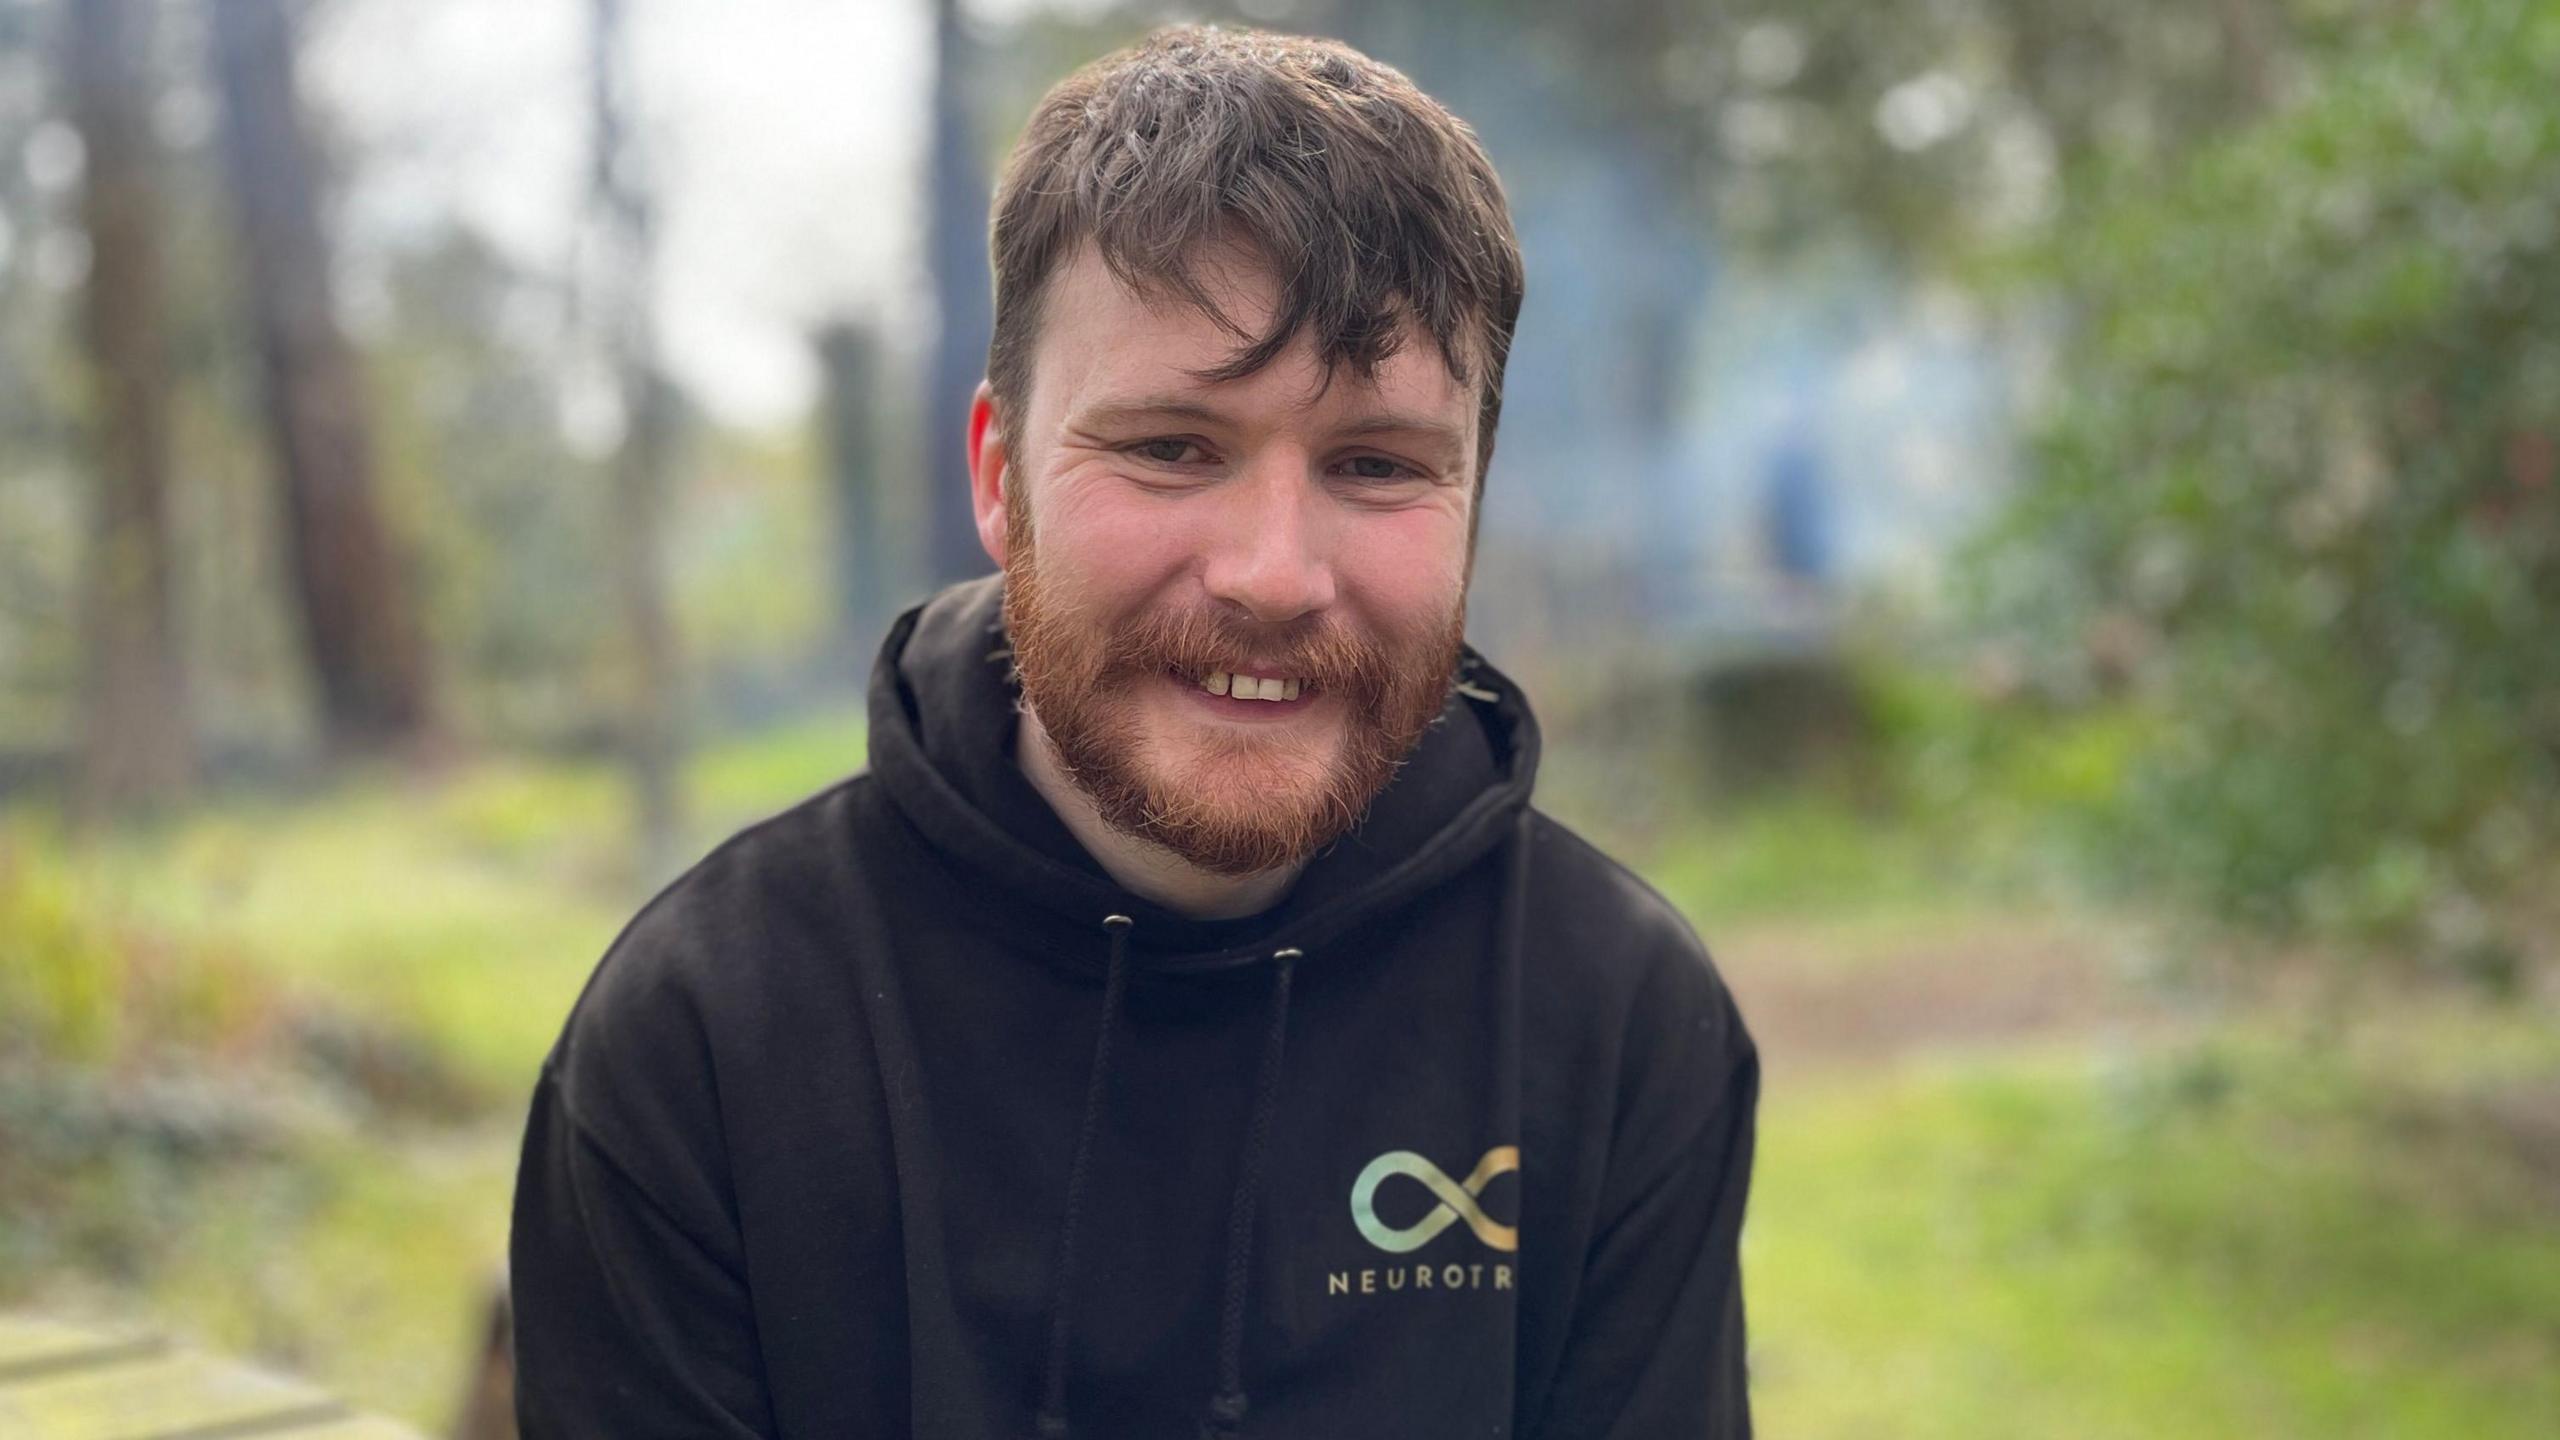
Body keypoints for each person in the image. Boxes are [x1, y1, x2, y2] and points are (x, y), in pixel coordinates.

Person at [510, 25, 1756, 1439]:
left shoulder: (1617, 1017)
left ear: (1471, 499)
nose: (1272, 575)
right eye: (1171, 448)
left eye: (1374, 464)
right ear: (1000, 479)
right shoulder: (701, 1041)